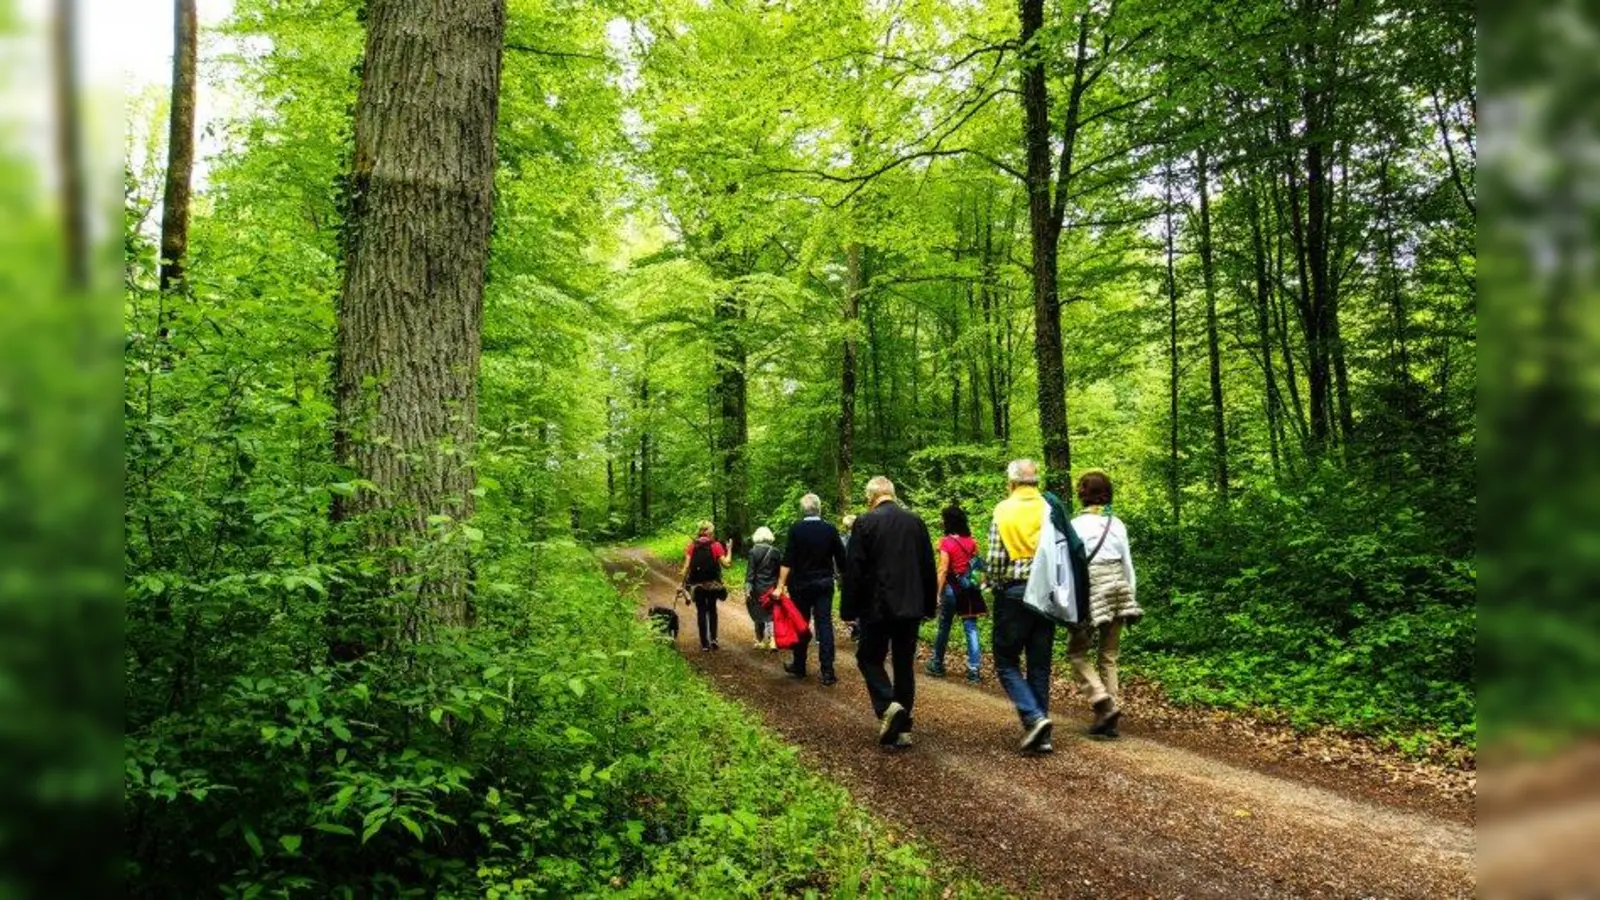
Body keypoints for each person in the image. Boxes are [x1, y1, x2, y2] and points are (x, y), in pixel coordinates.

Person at [841, 476, 937, 747]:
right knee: (904, 664)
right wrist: (929, 604)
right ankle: (903, 727)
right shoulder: (915, 521)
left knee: (869, 658)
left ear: (871, 497)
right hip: (911, 607)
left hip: (877, 607)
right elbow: (927, 566)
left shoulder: (865, 522)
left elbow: (854, 569)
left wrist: (849, 608)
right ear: (892, 494)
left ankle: (887, 705)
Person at [985, 459, 1064, 754]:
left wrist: (991, 582)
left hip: (1015, 593)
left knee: (1006, 661)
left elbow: (994, 560)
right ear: (1036, 480)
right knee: (1039, 665)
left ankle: (1034, 717)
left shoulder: (1004, 509)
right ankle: (1041, 735)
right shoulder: (1050, 507)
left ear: (1012, 481)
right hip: (1047, 593)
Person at [1067, 470, 1142, 738]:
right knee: (1109, 656)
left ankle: (1103, 701)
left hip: (1092, 591)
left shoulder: (1075, 526)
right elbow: (1127, 565)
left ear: (1082, 495)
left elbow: (1072, 567)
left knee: (1077, 654)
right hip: (1119, 589)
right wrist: (1130, 597)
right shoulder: (1117, 524)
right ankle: (1110, 715)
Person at [774, 494, 847, 684]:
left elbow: (787, 559)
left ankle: (799, 665)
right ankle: (828, 671)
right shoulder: (830, 529)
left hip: (800, 585)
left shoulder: (796, 530)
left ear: (802, 510)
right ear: (819, 509)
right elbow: (841, 558)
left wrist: (780, 585)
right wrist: (847, 580)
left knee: (800, 623)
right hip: (823, 583)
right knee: (824, 624)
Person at [925, 504, 986, 683]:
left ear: (947, 522)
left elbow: (943, 569)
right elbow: (976, 567)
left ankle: (937, 663)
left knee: (944, 626)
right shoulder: (972, 541)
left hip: (952, 588)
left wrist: (936, 593)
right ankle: (974, 669)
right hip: (969, 590)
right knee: (971, 628)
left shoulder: (946, 542)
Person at [680, 520, 731, 651]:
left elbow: (686, 567)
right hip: (713, 583)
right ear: (709, 531)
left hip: (697, 585)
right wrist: (729, 549)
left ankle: (704, 644)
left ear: (699, 531)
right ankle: (714, 639)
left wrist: (682, 583)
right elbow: (726, 564)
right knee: (712, 609)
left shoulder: (691, 546)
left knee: (701, 611)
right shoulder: (716, 545)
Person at [745, 526, 782, 650]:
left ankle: (760, 640)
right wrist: (781, 587)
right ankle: (773, 640)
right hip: (772, 588)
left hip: (757, 588)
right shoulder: (775, 551)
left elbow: (750, 573)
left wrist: (747, 588)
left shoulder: (753, 551)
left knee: (757, 613)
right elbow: (779, 572)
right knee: (771, 614)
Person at [841, 514, 860, 642]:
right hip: (860, 575)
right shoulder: (864, 536)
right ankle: (857, 627)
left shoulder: (846, 539)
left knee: (854, 600)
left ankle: (856, 626)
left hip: (850, 574)